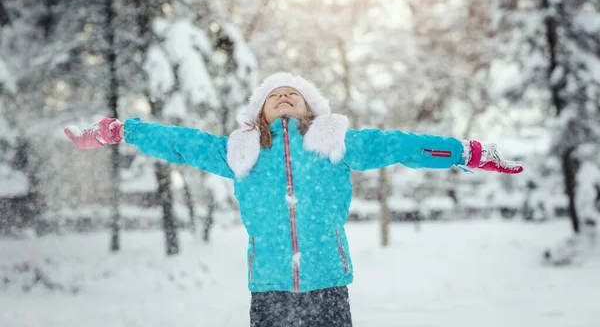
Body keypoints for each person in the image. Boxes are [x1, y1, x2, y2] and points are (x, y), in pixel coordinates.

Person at [65, 72, 524, 327]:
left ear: (310, 109)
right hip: (269, 290)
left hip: (327, 284)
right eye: (273, 95)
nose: (283, 96)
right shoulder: (240, 153)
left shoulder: (335, 145)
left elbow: (401, 144)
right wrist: (122, 130)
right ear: (259, 111)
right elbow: (180, 141)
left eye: (294, 94)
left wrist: (467, 153)